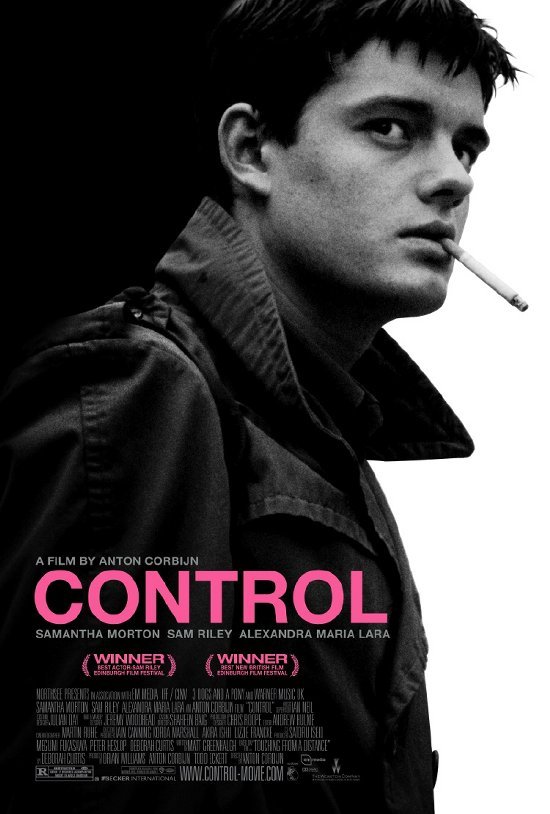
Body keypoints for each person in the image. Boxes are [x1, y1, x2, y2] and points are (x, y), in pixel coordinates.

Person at [1, 1, 517, 812]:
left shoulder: (322, 429)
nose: (455, 178)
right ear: (249, 150)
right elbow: (115, 779)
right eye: (391, 128)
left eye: (467, 145)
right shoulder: (146, 386)